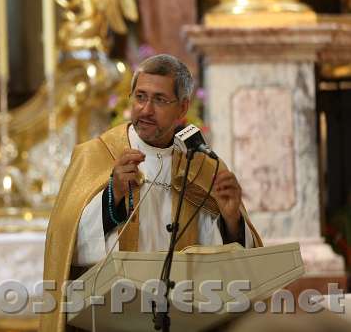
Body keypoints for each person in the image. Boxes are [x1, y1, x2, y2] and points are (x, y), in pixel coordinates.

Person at [39, 54, 262, 332]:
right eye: (140, 97)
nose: (145, 109)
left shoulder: (202, 166)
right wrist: (114, 196)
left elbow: (224, 263)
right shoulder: (96, 155)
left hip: (182, 316)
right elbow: (65, 239)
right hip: (113, 315)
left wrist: (230, 221)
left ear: (183, 108)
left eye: (159, 100)